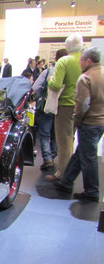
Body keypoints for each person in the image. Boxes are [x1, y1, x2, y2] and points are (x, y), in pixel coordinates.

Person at [51, 47, 104, 202]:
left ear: (88, 60)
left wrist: (77, 119)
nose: (80, 63)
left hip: (90, 121)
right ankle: (67, 181)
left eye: (81, 60)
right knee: (82, 152)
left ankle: (92, 191)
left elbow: (84, 104)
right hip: (100, 121)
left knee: (88, 157)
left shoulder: (85, 78)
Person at [46, 33, 84, 182]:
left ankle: (63, 174)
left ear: (67, 47)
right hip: (82, 105)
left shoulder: (64, 61)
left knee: (64, 140)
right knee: (73, 139)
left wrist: (50, 80)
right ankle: (71, 173)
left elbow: (56, 84)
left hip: (66, 104)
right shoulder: (85, 60)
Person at [32, 49, 68, 170]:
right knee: (56, 134)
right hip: (62, 108)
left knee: (44, 133)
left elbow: (36, 87)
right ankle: (52, 155)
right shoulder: (68, 74)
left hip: (47, 106)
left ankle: (47, 158)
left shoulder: (47, 72)